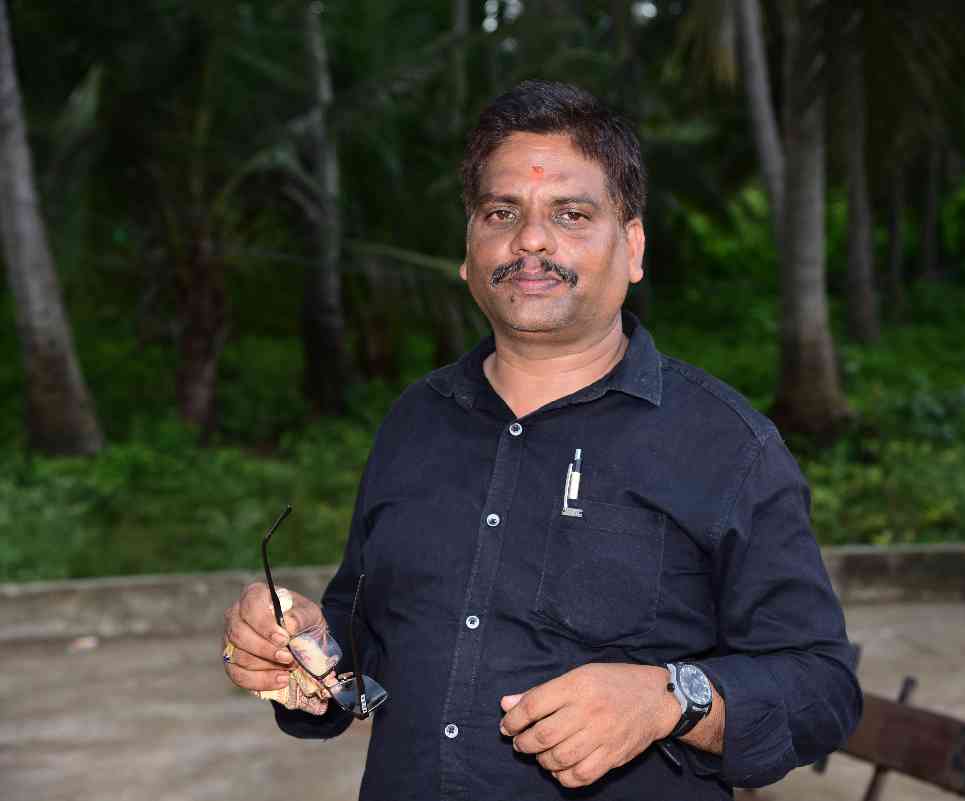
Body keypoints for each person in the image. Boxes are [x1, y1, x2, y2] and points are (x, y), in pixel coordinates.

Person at [221, 80, 861, 801]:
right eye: (502, 213)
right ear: (468, 249)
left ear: (633, 247)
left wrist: (670, 697)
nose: (530, 239)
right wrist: (302, 650)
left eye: (571, 214)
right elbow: (363, 635)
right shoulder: (415, 421)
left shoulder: (726, 446)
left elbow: (822, 688)